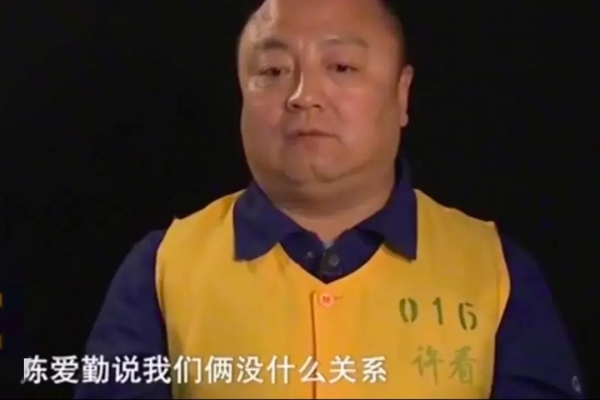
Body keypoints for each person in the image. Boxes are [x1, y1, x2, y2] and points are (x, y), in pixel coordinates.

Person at [74, 0, 585, 398]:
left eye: (341, 66)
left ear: (401, 93)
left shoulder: (496, 272)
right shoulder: (161, 269)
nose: (304, 95)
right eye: (273, 71)